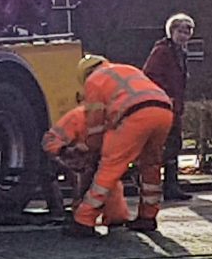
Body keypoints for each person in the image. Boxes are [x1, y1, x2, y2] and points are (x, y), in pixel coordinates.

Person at [64, 54, 174, 237]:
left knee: (109, 167)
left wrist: (93, 149)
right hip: (163, 111)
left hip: (134, 116)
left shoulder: (93, 81)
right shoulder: (127, 68)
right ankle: (148, 216)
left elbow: (96, 124)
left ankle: (83, 220)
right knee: (151, 166)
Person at [142, 12, 193, 201]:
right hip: (166, 105)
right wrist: (166, 96)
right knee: (168, 144)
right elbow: (150, 74)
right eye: (180, 31)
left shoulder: (180, 53)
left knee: (174, 144)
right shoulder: (163, 51)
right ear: (171, 31)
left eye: (187, 32)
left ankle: (171, 184)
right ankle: (167, 185)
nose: (184, 36)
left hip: (174, 106)